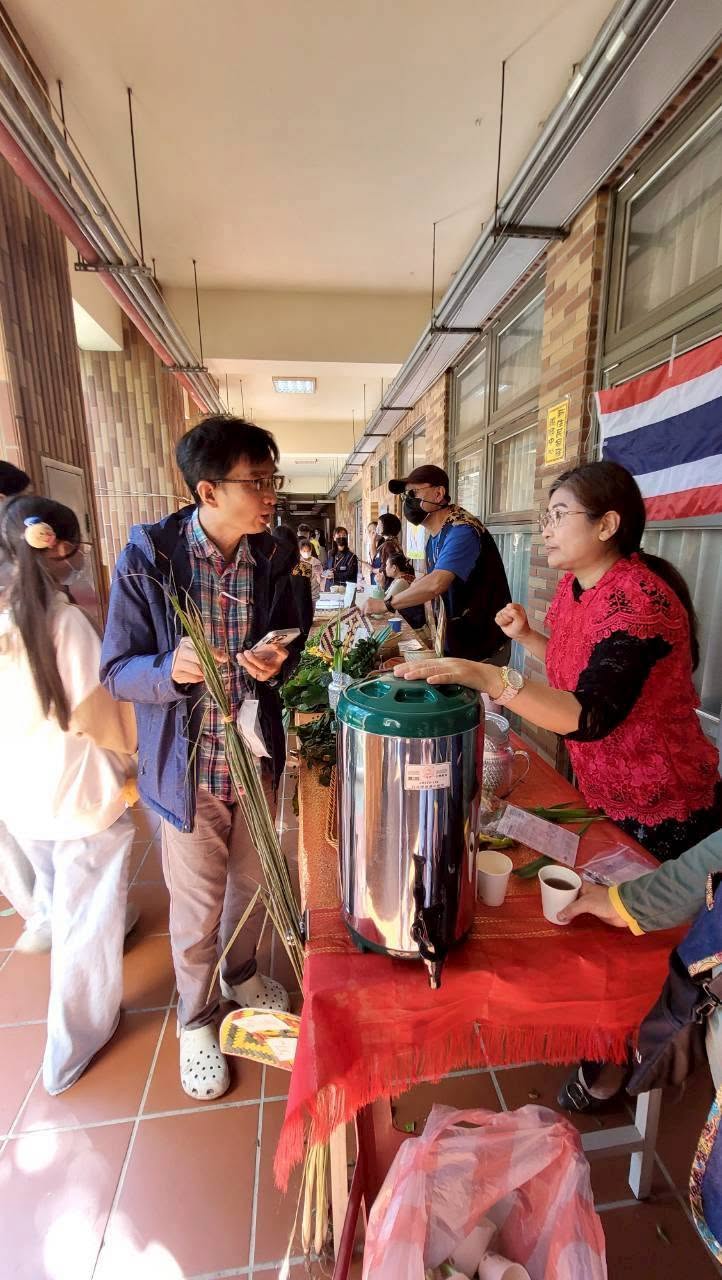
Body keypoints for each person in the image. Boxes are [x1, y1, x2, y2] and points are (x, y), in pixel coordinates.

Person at [100, 415, 297, 1101]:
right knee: (195, 906)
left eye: (272, 479)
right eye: (256, 482)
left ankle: (240, 974)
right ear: (208, 491)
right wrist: (169, 668)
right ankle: (195, 1019)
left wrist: (274, 661)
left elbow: (289, 637)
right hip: (187, 772)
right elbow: (116, 671)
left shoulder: (272, 555)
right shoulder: (149, 560)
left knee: (252, 883)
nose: (270, 495)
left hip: (252, 757)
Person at [396, 461, 720, 863]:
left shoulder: (637, 600)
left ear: (607, 525)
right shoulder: (576, 587)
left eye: (560, 516)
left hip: (661, 806)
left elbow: (589, 715)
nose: (546, 530)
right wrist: (527, 637)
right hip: (600, 788)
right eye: (546, 517)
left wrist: (490, 678)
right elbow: (585, 669)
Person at [0, 496, 137, 1094]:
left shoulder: (9, 619)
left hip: (21, 794)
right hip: (78, 796)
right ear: (61, 546)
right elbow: (99, 717)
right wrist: (134, 757)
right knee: (86, 921)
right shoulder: (64, 623)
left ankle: (71, 930)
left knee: (65, 901)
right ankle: (73, 1041)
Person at [363, 465, 511, 664]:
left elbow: (436, 583)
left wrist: (386, 604)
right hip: (458, 643)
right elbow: (434, 581)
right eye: (405, 496)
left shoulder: (462, 531)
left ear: (439, 493)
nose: (408, 501)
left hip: (482, 646)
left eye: (413, 493)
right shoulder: (435, 538)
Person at [272, 523, 313, 639]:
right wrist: (306, 629)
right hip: (297, 626)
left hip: (273, 630)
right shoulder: (303, 567)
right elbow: (306, 601)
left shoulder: (268, 568)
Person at [383, 550, 427, 634]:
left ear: (394, 568)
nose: (385, 568)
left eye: (387, 565)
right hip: (411, 620)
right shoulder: (402, 578)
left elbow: (385, 603)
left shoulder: (402, 582)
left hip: (414, 624)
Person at [371, 512, 403, 587]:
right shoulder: (391, 542)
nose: (377, 527)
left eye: (379, 524)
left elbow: (387, 567)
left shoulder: (388, 545)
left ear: (386, 526)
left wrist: (373, 570)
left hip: (387, 583)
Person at [299, 538, 324, 605]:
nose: (306, 553)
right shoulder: (297, 562)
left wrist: (320, 576)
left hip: (314, 594)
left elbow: (321, 578)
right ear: (300, 551)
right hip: (301, 595)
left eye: (308, 551)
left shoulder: (316, 562)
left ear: (311, 550)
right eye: (304, 551)